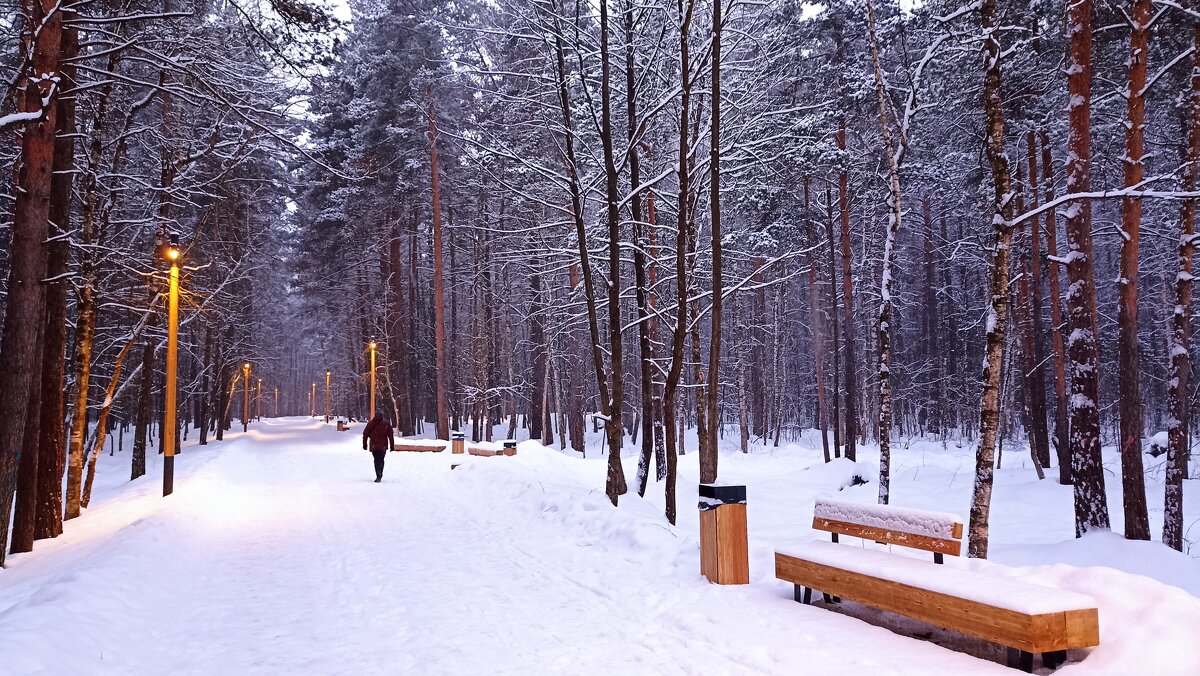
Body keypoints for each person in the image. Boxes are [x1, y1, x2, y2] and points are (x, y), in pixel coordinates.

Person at [362, 413, 395, 482]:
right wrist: (392, 445)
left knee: (376, 460)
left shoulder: (371, 423)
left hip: (374, 445)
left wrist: (364, 444)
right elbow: (390, 435)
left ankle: (378, 474)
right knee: (381, 460)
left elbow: (365, 434)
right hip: (383, 445)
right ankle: (380, 473)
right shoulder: (386, 424)